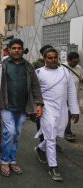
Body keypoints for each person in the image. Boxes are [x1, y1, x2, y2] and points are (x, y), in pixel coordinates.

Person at [0, 38, 44, 177]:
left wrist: (39, 104)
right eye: (14, 48)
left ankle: (12, 160)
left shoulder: (29, 66)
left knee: (16, 135)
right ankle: (4, 161)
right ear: (9, 50)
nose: (17, 50)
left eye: (19, 48)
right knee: (9, 133)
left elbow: (35, 86)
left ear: (22, 50)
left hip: (23, 107)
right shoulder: (2, 65)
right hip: (6, 106)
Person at [34, 48, 79, 182]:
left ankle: (40, 148)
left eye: (55, 57)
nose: (53, 60)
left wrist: (75, 110)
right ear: (44, 59)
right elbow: (35, 93)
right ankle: (53, 166)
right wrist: (36, 107)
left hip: (62, 109)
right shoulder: (39, 73)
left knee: (58, 134)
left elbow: (71, 92)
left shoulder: (65, 72)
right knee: (51, 137)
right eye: (50, 58)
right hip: (47, 109)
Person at [61, 52, 82, 142]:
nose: (76, 64)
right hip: (64, 96)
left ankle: (66, 131)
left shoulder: (79, 68)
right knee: (67, 114)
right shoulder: (62, 68)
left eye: (77, 62)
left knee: (70, 113)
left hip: (74, 95)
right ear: (68, 60)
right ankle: (67, 132)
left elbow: (80, 78)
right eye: (74, 62)